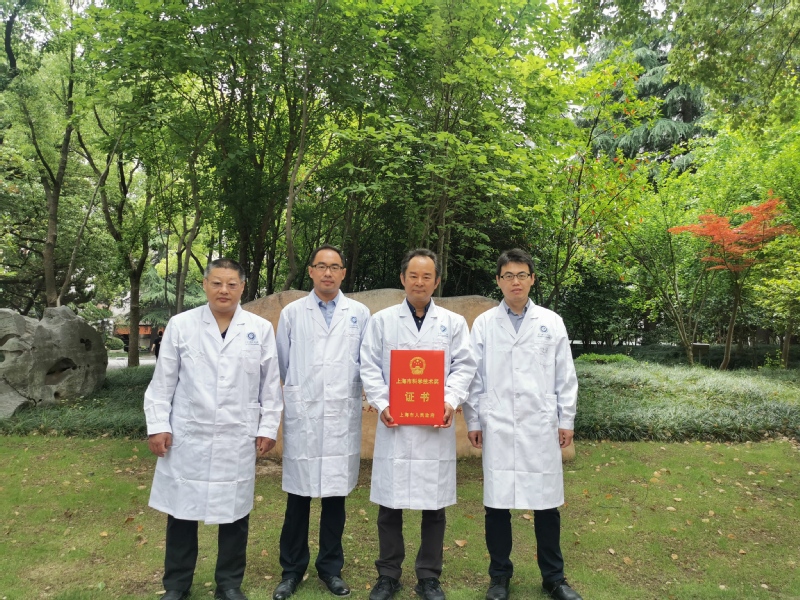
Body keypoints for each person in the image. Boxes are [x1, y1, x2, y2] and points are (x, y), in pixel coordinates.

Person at [144, 258, 283, 600]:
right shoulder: (181, 325)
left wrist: (268, 426)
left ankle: (229, 584)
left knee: (234, 513)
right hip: (189, 432)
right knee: (181, 511)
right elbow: (163, 381)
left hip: (237, 434)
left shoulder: (259, 329)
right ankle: (177, 585)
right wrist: (158, 425)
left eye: (232, 284)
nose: (224, 290)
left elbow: (270, 384)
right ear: (205, 285)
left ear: (242, 288)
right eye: (217, 283)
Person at [463, 249, 582, 600]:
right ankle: (499, 576)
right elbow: (473, 376)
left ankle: (554, 578)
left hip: (539, 424)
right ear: (498, 281)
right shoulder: (484, 324)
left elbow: (565, 374)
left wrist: (566, 419)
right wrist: (474, 419)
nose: (515, 281)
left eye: (521, 275)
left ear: (532, 279)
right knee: (497, 505)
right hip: (498, 422)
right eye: (508, 276)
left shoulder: (551, 322)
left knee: (546, 504)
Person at [359, 248, 477, 600]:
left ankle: (428, 576)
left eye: (427, 276)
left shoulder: (453, 323)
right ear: (402, 279)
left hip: (433, 427)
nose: (419, 282)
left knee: (434, 505)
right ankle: (388, 574)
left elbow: (464, 366)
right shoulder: (382, 321)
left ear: (436, 281)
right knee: (390, 505)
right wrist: (382, 404)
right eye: (413, 275)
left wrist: (449, 401)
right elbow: (369, 366)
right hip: (395, 424)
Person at [271, 244, 371, 600]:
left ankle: (330, 568)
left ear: (343, 273)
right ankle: (291, 570)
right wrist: (302, 392)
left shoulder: (359, 313)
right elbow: (283, 364)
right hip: (306, 415)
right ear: (311, 271)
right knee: (298, 499)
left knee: (334, 499)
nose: (328, 273)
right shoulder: (293, 313)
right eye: (321, 266)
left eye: (335, 267)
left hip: (341, 416)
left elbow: (368, 361)